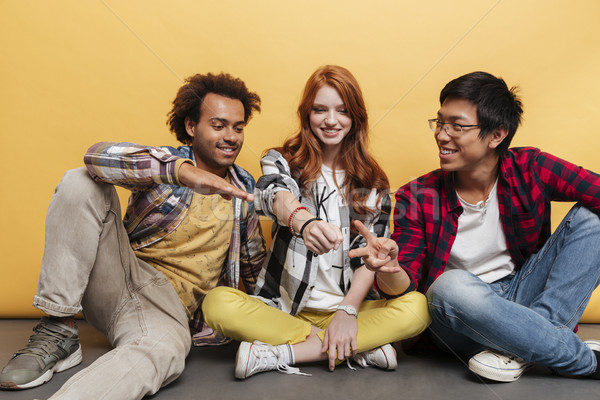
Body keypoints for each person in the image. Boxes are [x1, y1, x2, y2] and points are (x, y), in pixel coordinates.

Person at [0, 72, 267, 398]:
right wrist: (181, 173)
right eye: (219, 125)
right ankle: (59, 328)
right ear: (191, 127)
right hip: (119, 278)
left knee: (163, 353)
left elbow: (255, 268)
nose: (231, 136)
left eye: (238, 127)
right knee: (81, 180)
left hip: (168, 312)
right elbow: (96, 157)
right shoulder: (162, 165)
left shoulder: (244, 191)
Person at [357, 71, 600, 382]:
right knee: (449, 286)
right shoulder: (416, 195)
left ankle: (523, 345)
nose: (442, 135)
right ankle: (579, 358)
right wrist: (389, 268)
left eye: (457, 126)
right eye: (440, 123)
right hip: (460, 316)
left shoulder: (530, 168)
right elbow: (404, 290)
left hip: (522, 294)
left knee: (592, 217)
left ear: (496, 135)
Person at [202, 65, 431, 379]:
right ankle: (356, 348)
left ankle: (283, 352)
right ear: (306, 114)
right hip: (286, 310)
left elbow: (369, 261)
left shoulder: (373, 182)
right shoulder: (283, 160)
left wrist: (348, 311)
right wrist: (303, 222)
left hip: (353, 310)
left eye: (342, 111)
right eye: (320, 110)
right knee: (217, 304)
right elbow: (273, 194)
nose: (331, 120)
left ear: (356, 117)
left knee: (418, 307)